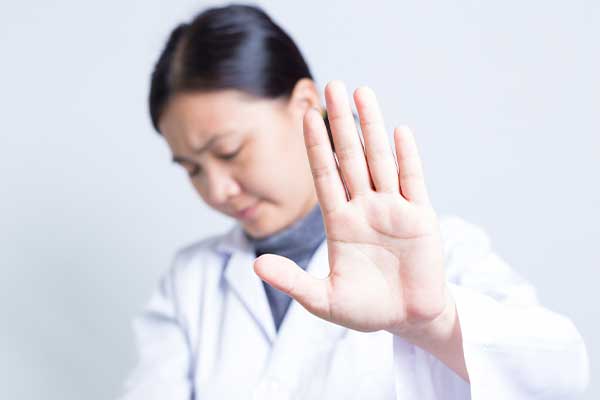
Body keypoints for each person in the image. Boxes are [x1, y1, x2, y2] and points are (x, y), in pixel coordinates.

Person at [118, 4, 589, 399]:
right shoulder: (191, 282)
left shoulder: (448, 252)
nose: (217, 189)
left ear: (305, 105)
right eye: (192, 169)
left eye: (229, 151)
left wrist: (435, 322)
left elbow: (559, 380)